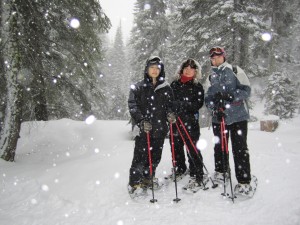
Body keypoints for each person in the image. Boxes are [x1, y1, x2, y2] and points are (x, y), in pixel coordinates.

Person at [204, 46, 255, 195]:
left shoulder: (235, 70)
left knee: (240, 149)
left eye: (218, 56)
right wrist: (214, 107)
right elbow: (208, 99)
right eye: (212, 58)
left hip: (238, 116)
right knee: (219, 147)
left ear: (223, 57)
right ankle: (221, 171)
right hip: (219, 118)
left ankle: (244, 181)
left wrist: (231, 96)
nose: (215, 59)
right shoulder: (210, 76)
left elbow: (246, 90)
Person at [127, 56, 176, 196]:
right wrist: (141, 121)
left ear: (161, 70)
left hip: (160, 129)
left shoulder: (166, 88)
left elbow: (170, 106)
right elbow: (132, 106)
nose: (154, 70)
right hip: (144, 130)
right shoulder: (138, 87)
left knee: (155, 157)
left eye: (157, 68)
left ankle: (148, 178)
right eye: (152, 68)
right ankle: (135, 183)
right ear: (147, 69)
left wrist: (171, 114)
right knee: (140, 157)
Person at [169, 58, 208, 191]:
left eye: (191, 68)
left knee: (192, 147)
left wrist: (182, 105)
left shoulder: (197, 86)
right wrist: (171, 110)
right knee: (175, 146)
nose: (188, 70)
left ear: (195, 72)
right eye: (186, 68)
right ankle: (180, 168)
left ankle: (197, 174)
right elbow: (169, 102)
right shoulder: (174, 85)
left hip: (190, 121)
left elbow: (198, 104)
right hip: (175, 121)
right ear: (181, 70)